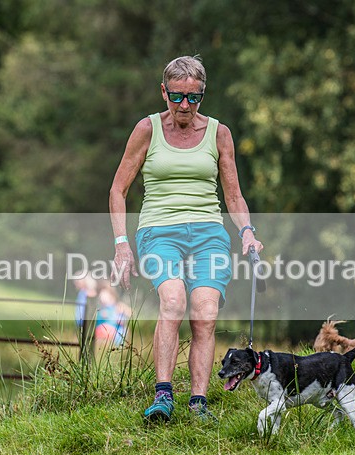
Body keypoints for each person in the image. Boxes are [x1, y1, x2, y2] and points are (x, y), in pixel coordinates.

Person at [109, 55, 263, 421]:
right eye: (177, 96)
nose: (184, 106)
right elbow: (118, 190)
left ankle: (198, 403)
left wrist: (246, 233)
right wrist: (121, 244)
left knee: (205, 314)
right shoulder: (147, 130)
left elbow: (234, 196)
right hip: (159, 231)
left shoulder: (218, 133)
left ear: (202, 97)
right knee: (174, 301)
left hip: (210, 234)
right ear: (163, 92)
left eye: (193, 98)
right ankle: (163, 395)